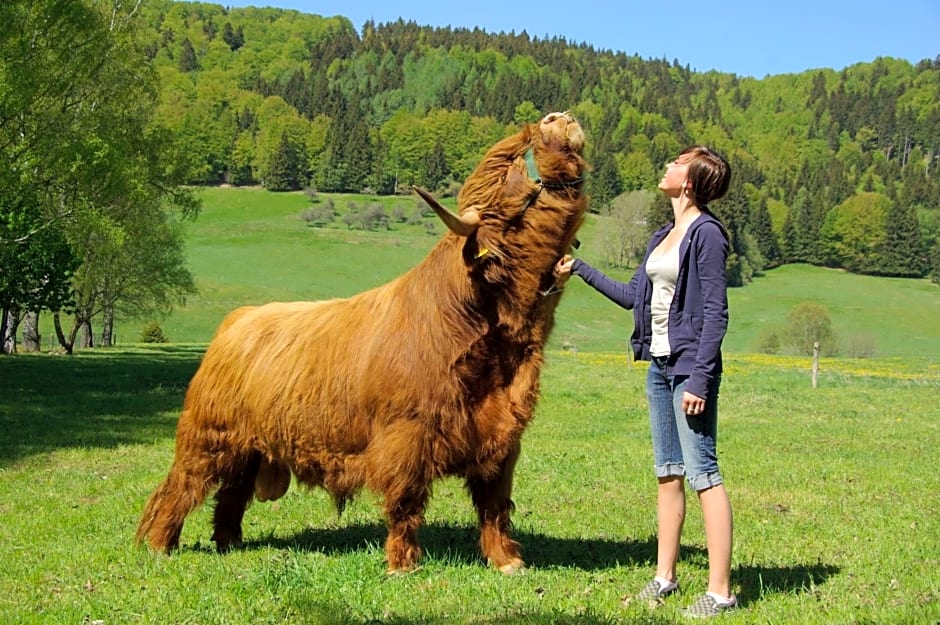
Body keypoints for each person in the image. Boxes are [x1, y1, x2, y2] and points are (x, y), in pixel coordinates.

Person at [553, 146, 736, 618]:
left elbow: (716, 313)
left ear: (691, 180)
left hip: (689, 369)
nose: (668, 164)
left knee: (704, 476)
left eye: (677, 161)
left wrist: (699, 378)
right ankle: (664, 578)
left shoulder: (707, 234)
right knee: (667, 473)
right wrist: (580, 269)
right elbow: (633, 295)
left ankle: (720, 592)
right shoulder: (664, 234)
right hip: (658, 366)